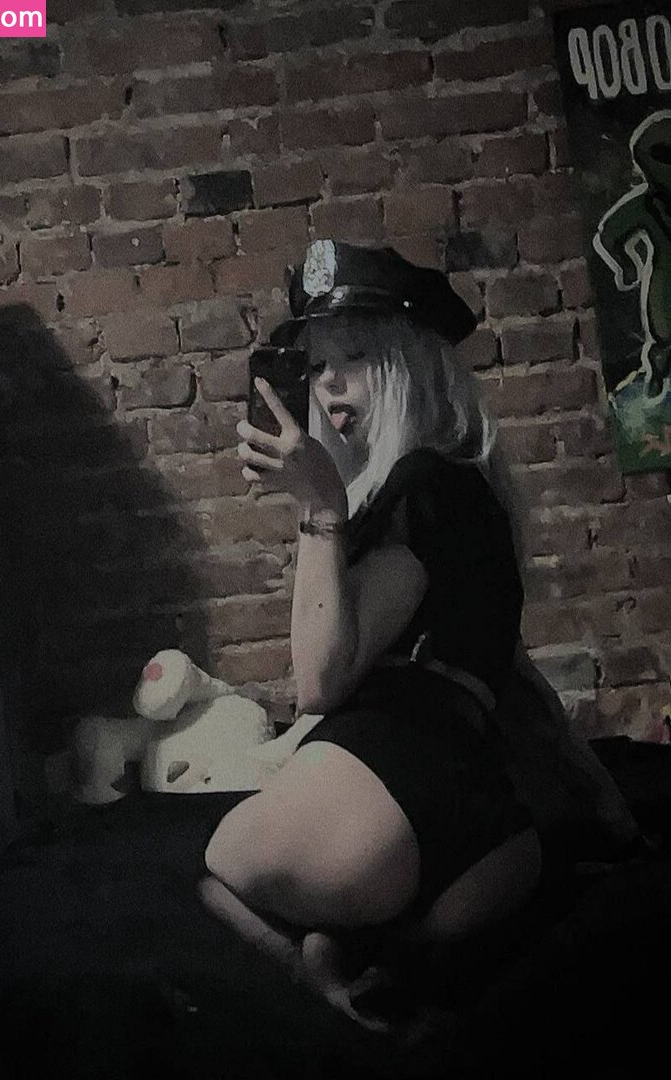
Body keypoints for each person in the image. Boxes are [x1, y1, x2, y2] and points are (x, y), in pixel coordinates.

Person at [198, 239, 543, 1027]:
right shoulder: (466, 490)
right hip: (490, 831)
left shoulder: (416, 485)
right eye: (317, 365)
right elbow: (510, 672)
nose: (328, 384)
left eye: (354, 358)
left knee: (208, 870)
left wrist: (320, 512)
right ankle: (377, 957)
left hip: (387, 789)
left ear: (408, 365)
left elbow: (319, 683)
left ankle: (320, 969)